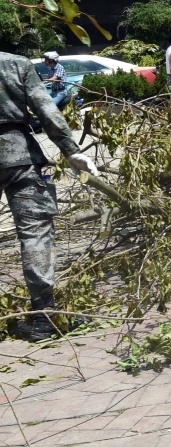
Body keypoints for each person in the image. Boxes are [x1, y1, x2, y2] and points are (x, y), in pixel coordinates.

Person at [0, 52, 100, 340]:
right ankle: (45, 315)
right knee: (36, 234)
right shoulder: (15, 64)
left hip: (19, 156)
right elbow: (47, 110)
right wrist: (72, 151)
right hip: (18, 157)